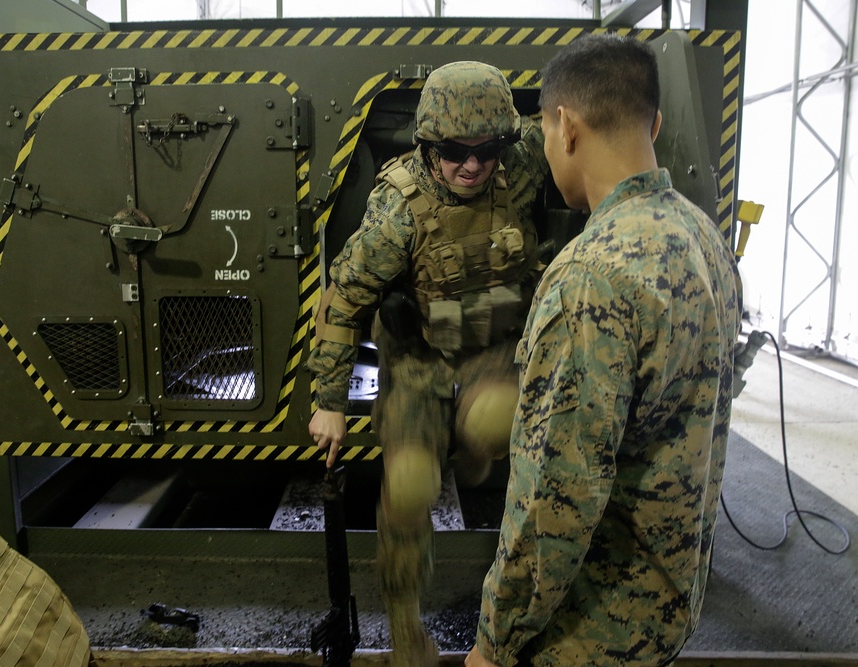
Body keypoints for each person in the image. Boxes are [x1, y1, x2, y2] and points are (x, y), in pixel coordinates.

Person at [465, 34, 743, 667]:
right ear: (657, 121)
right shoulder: (702, 236)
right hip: (668, 605)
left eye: (540, 130)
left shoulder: (591, 274)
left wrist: (493, 642)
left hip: (590, 630)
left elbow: (554, 499)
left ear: (565, 126)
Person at [307, 61, 549, 666]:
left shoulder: (520, 168)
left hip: (491, 350)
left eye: (487, 150)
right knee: (411, 486)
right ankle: (404, 623)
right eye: (452, 152)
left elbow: (581, 124)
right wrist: (329, 403)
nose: (471, 165)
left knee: (493, 422)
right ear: (426, 144)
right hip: (417, 360)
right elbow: (345, 297)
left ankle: (471, 451)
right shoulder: (400, 208)